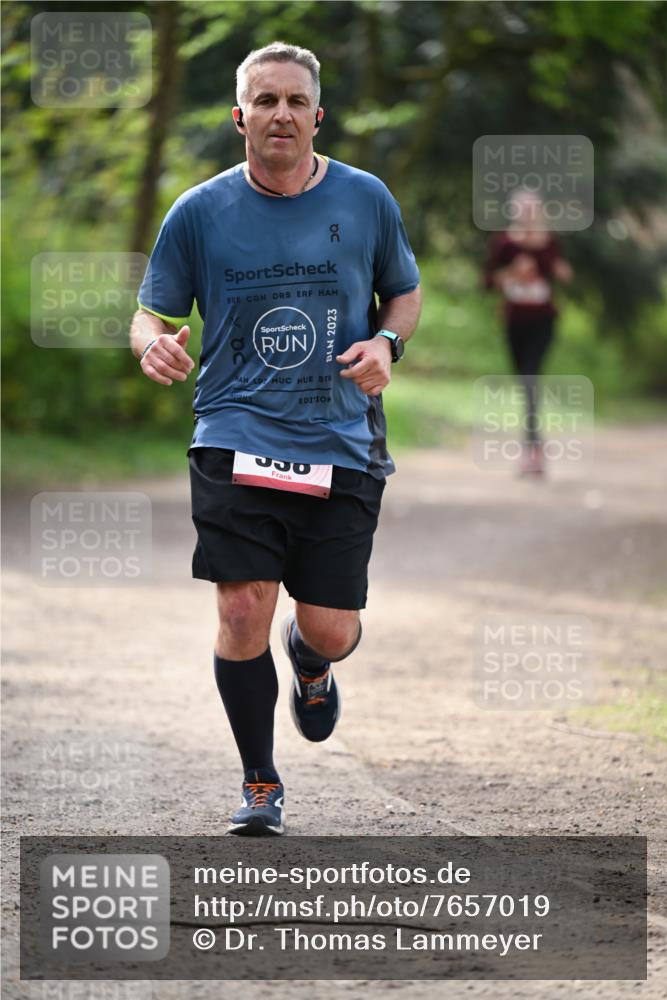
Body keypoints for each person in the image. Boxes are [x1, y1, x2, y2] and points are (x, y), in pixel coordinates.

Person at [130, 42, 421, 835]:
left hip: (341, 439)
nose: (281, 114)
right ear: (239, 117)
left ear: (317, 115)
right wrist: (149, 340)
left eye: (295, 101)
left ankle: (312, 659)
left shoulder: (365, 200)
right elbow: (151, 310)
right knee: (238, 610)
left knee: (329, 624)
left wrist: (385, 347)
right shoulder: (198, 211)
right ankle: (260, 781)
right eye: (265, 101)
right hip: (233, 429)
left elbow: (403, 292)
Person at [485, 189, 573, 475]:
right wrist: (512, 273)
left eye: (532, 209)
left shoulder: (549, 243)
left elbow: (562, 275)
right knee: (524, 381)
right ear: (514, 211)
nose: (527, 214)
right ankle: (533, 447)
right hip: (514, 321)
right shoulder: (505, 243)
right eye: (522, 209)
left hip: (543, 321)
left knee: (530, 377)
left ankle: (533, 450)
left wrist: (556, 270)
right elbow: (487, 280)